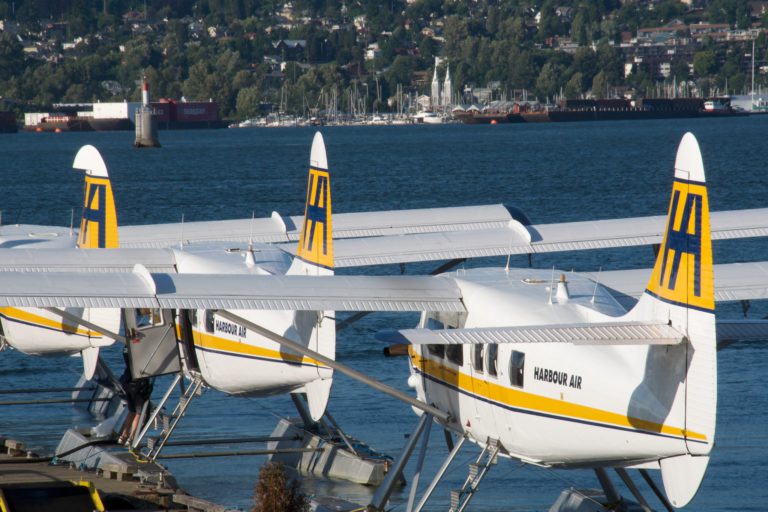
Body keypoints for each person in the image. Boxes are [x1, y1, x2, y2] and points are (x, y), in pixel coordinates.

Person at [117, 345, 153, 446]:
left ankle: (123, 435)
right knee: (139, 413)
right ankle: (131, 437)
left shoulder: (126, 348)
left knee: (131, 411)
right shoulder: (139, 352)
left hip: (128, 383)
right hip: (138, 385)